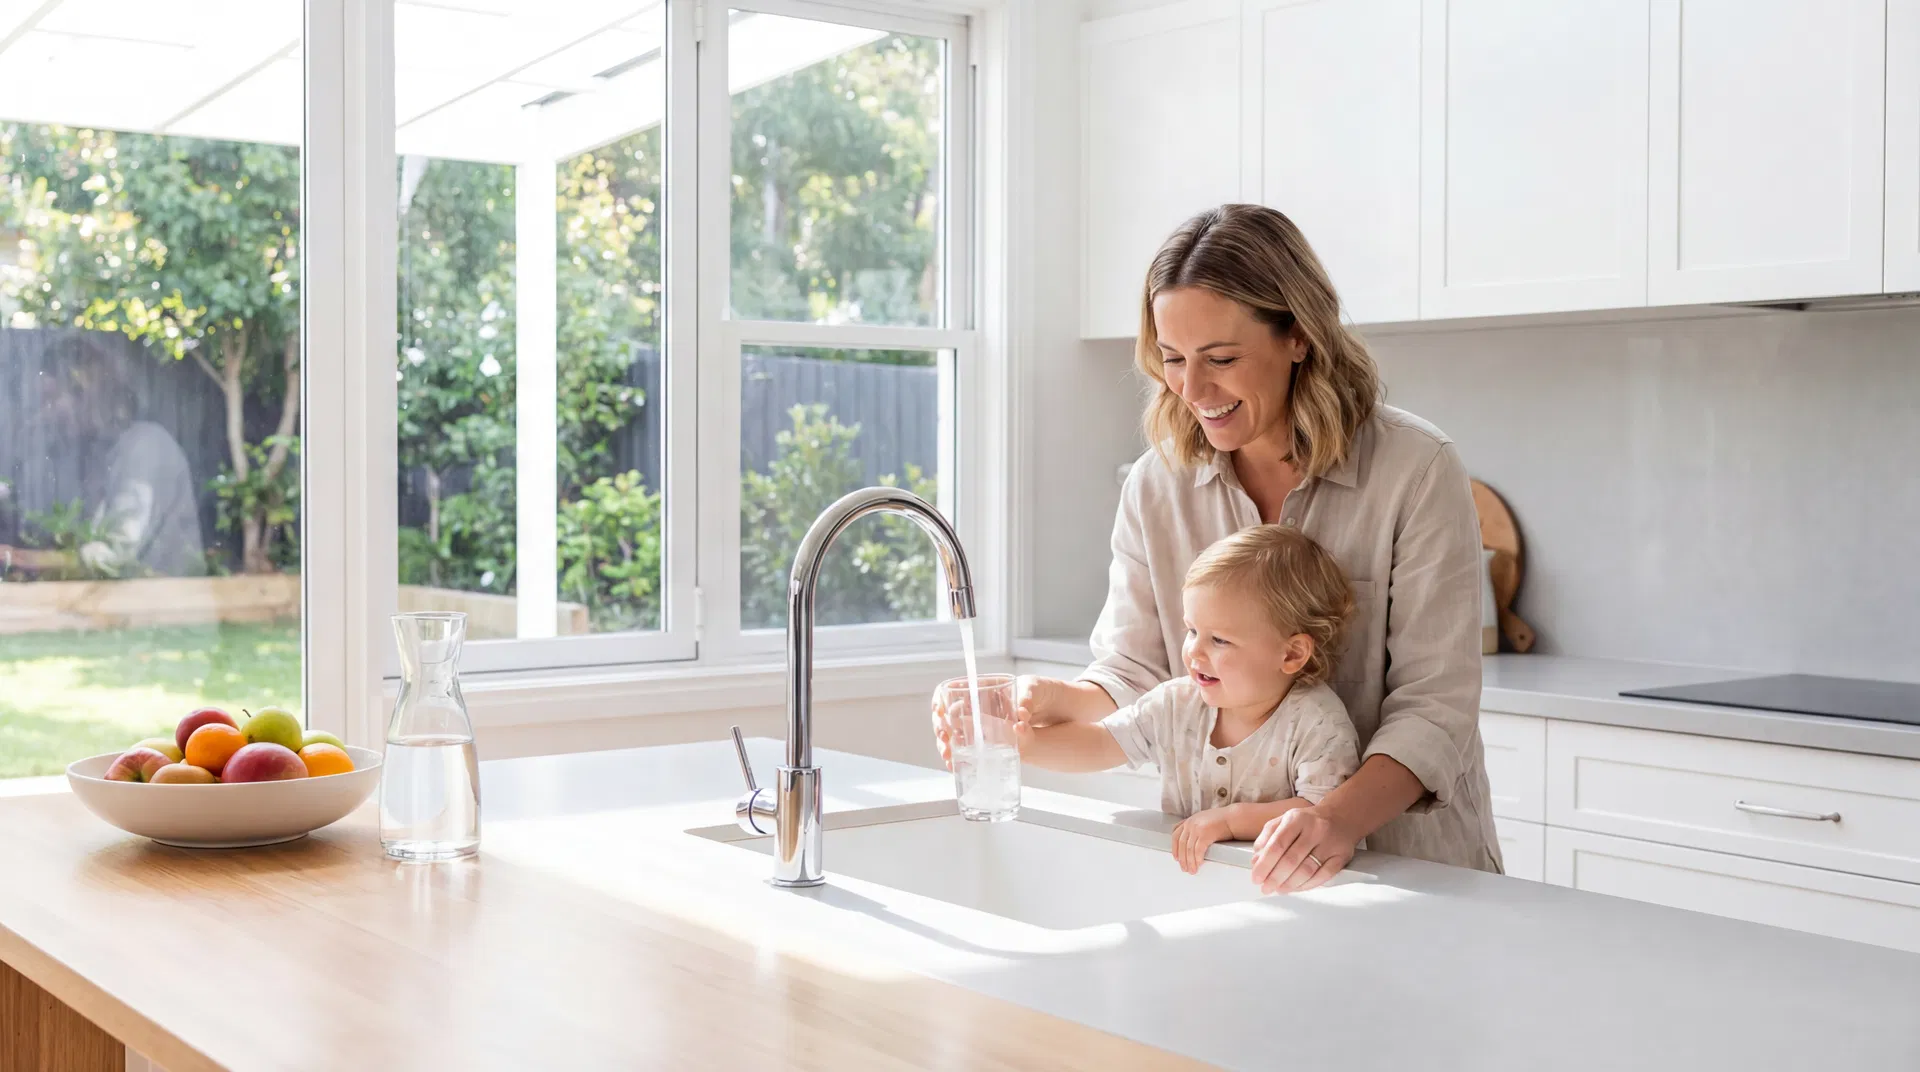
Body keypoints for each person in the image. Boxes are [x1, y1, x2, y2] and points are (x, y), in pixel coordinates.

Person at [937, 203, 1499, 893]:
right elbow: (1137, 674)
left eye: (1222, 359)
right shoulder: (1156, 485)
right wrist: (1040, 703)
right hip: (1228, 875)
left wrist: (1333, 820)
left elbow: (1434, 709)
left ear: (1299, 335)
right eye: (1173, 360)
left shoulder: (1415, 469)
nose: (1192, 390)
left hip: (1411, 871)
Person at [1016, 525, 1361, 875]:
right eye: (1192, 630)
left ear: (1291, 654)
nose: (1194, 650)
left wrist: (1229, 821)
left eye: (1219, 640)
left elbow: (1322, 813)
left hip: (1285, 886)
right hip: (1195, 882)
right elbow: (1102, 743)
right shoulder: (1176, 704)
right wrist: (1025, 745)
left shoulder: (1317, 723)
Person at [0, 358, 204, 579]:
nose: (44, 415)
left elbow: (117, 553)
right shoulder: (95, 457)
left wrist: (29, 559)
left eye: (51, 399)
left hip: (168, 599)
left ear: (85, 394)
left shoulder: (146, 446)